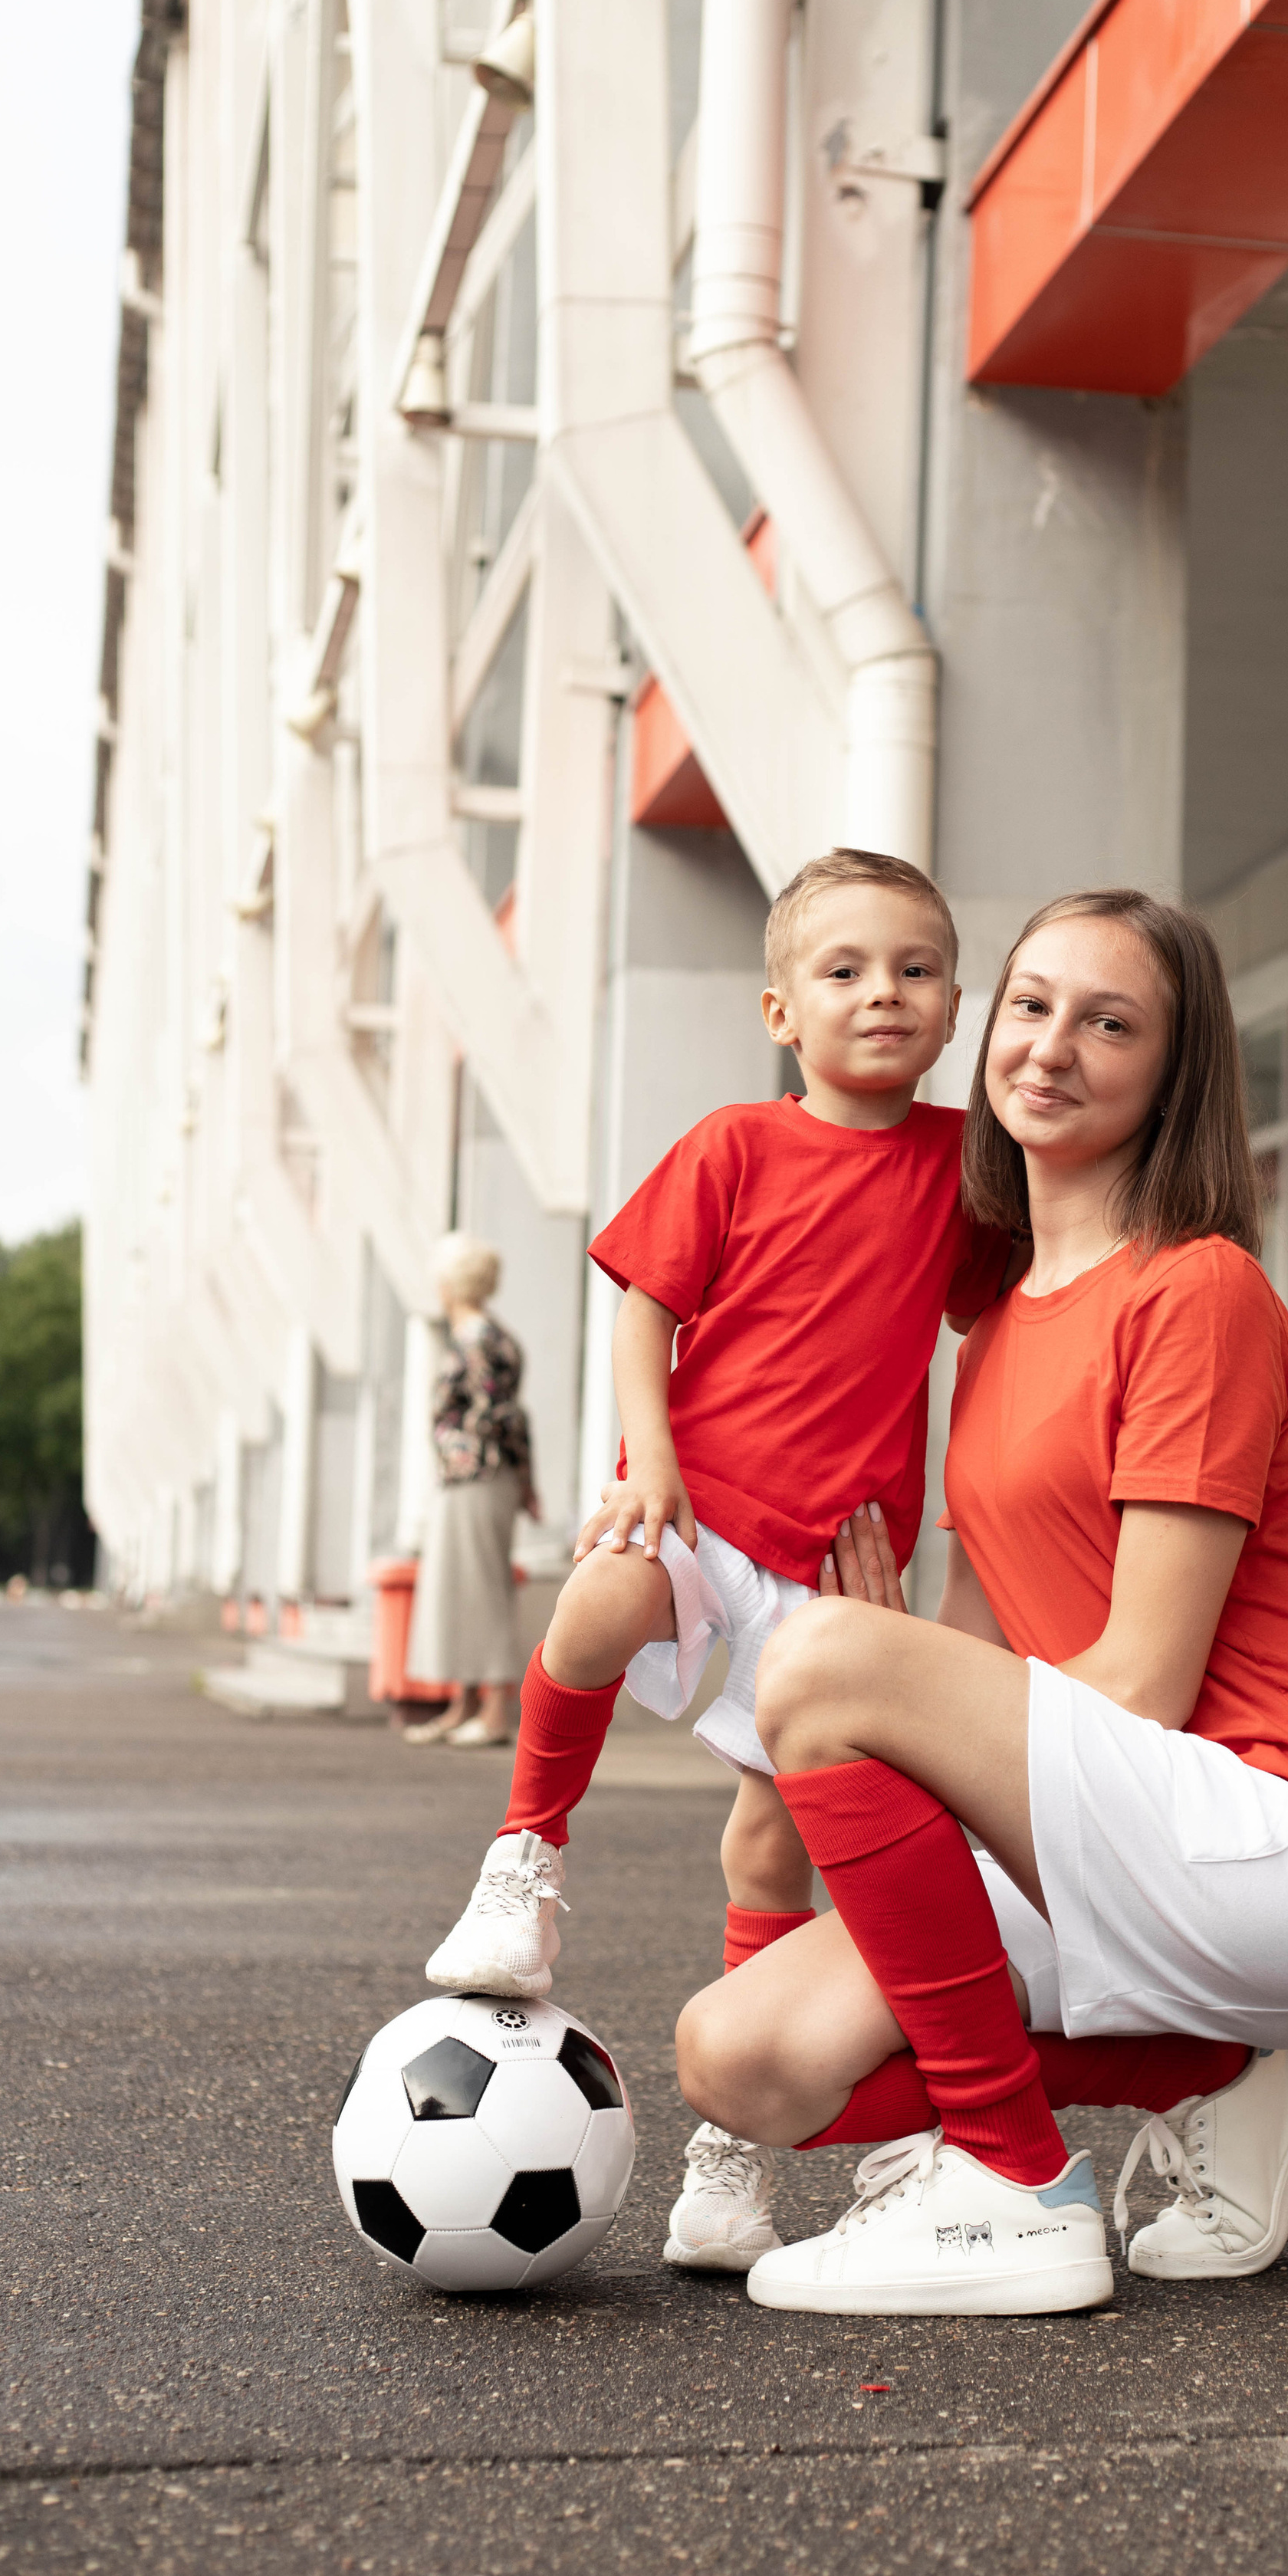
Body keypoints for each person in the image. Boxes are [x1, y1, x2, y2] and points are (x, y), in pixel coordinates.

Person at [672, 889, 1288, 2317]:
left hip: (1282, 1838)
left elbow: (1139, 1679)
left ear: (1172, 1071)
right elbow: (980, 1644)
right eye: (1031, 1005)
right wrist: (876, 1691)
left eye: (1110, 1021)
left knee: (827, 1663)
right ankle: (1224, 2067)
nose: (1052, 1047)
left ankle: (1017, 2186)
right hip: (1117, 1832)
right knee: (740, 2057)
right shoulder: (997, 1318)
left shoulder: (1199, 1294)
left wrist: (861, 1684)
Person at [422, 847, 1014, 2267]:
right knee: (601, 1597)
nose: (886, 993)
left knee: (777, 1833)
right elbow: (643, 1309)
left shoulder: (960, 1175)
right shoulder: (732, 1149)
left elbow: (1006, 1331)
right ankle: (523, 1864)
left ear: (951, 1011)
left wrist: (943, 1574)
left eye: (919, 971)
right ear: (780, 1012)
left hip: (835, 1574)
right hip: (698, 1522)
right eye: (847, 970)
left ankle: (732, 2163)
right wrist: (650, 1463)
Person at [399, 1235, 537, 1749]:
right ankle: (465, 1705)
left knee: (480, 1587)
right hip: (471, 1479)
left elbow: (502, 1416)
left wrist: (518, 1479)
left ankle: (496, 1713)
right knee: (461, 1587)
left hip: (478, 1477)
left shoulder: (479, 1339)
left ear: (450, 1284)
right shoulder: (480, 1335)